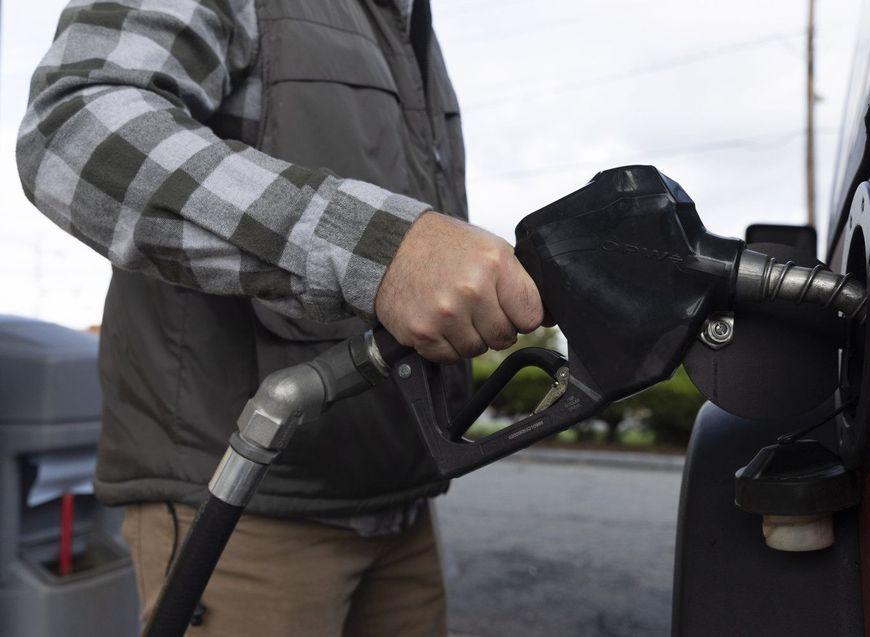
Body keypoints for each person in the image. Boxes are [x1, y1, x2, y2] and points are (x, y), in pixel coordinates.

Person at [15, 0, 544, 635]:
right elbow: (74, 129)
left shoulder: (412, 30)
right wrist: (381, 249)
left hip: (400, 504)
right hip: (239, 508)